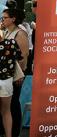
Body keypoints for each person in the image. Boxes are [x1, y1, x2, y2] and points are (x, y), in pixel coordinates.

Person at [0, 9, 27, 137]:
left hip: (15, 76)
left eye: (5, 18)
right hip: (8, 76)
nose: (2, 20)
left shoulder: (20, 33)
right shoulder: (5, 32)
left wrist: (19, 75)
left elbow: (23, 57)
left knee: (13, 105)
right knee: (7, 107)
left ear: (13, 19)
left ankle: (14, 132)